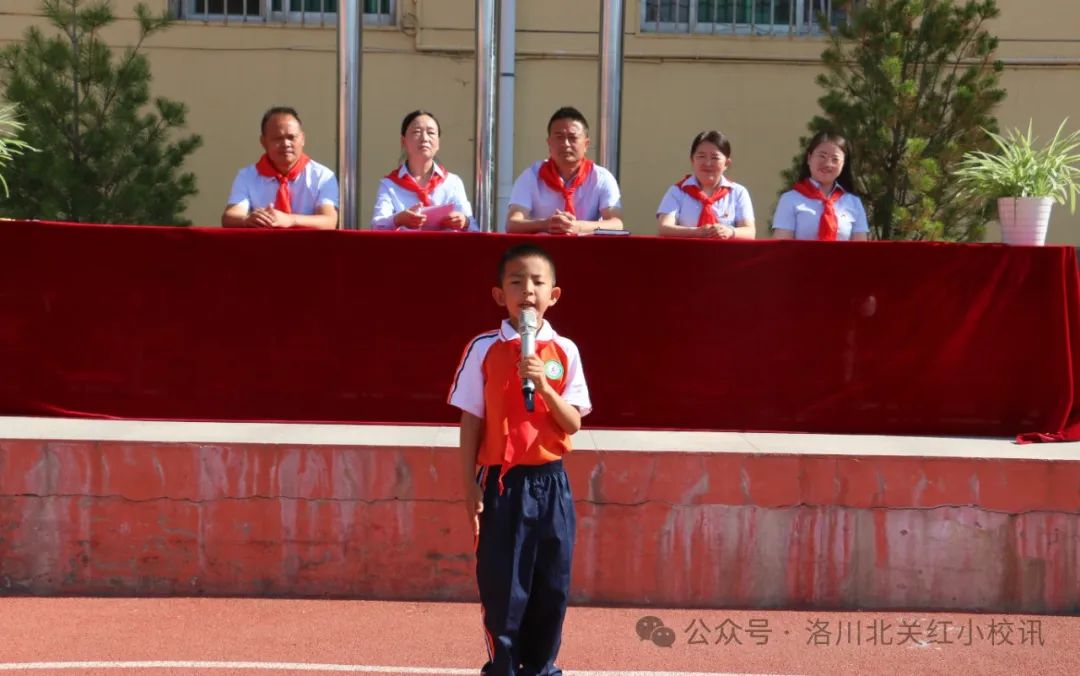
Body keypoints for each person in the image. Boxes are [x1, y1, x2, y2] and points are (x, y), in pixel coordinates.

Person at [447, 243, 591, 675]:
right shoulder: (482, 348)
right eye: (516, 282)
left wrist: (544, 388)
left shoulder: (564, 351)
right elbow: (471, 420)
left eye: (537, 282)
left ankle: (542, 669)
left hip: (552, 485)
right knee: (504, 591)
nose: (527, 290)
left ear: (554, 295)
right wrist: (469, 486)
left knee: (552, 588)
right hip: (503, 485)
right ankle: (505, 668)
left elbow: (572, 424)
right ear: (499, 295)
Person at [506, 107, 623, 235]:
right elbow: (512, 224)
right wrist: (546, 224)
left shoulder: (601, 178)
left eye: (573, 138)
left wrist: (579, 227)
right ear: (549, 143)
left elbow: (616, 224)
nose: (566, 144)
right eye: (559, 137)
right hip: (542, 251)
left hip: (587, 251)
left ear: (586, 144)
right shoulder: (531, 176)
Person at [221, 106, 339, 229]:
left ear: (302, 139)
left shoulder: (323, 176)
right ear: (263, 142)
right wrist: (247, 220)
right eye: (277, 138)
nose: (286, 144)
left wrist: (291, 220)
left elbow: (329, 221)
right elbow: (229, 217)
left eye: (291, 137)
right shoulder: (247, 176)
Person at [372, 110, 476, 231]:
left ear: (438, 143)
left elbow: (474, 229)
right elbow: (377, 226)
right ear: (403, 141)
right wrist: (397, 220)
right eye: (416, 132)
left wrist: (465, 222)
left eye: (431, 133)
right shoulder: (389, 185)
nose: (424, 138)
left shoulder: (453, 183)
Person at [656, 130, 755, 239]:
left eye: (715, 158)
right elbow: (664, 227)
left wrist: (730, 232)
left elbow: (749, 231)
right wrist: (696, 232)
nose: (708, 163)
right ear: (692, 160)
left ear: (726, 163)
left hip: (726, 255)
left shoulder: (738, 192)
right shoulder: (678, 191)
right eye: (701, 156)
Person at [772, 131, 869, 241]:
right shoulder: (790, 200)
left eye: (835, 159)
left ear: (843, 164)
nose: (828, 164)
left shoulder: (853, 203)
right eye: (822, 156)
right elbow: (782, 248)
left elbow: (860, 249)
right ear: (809, 158)